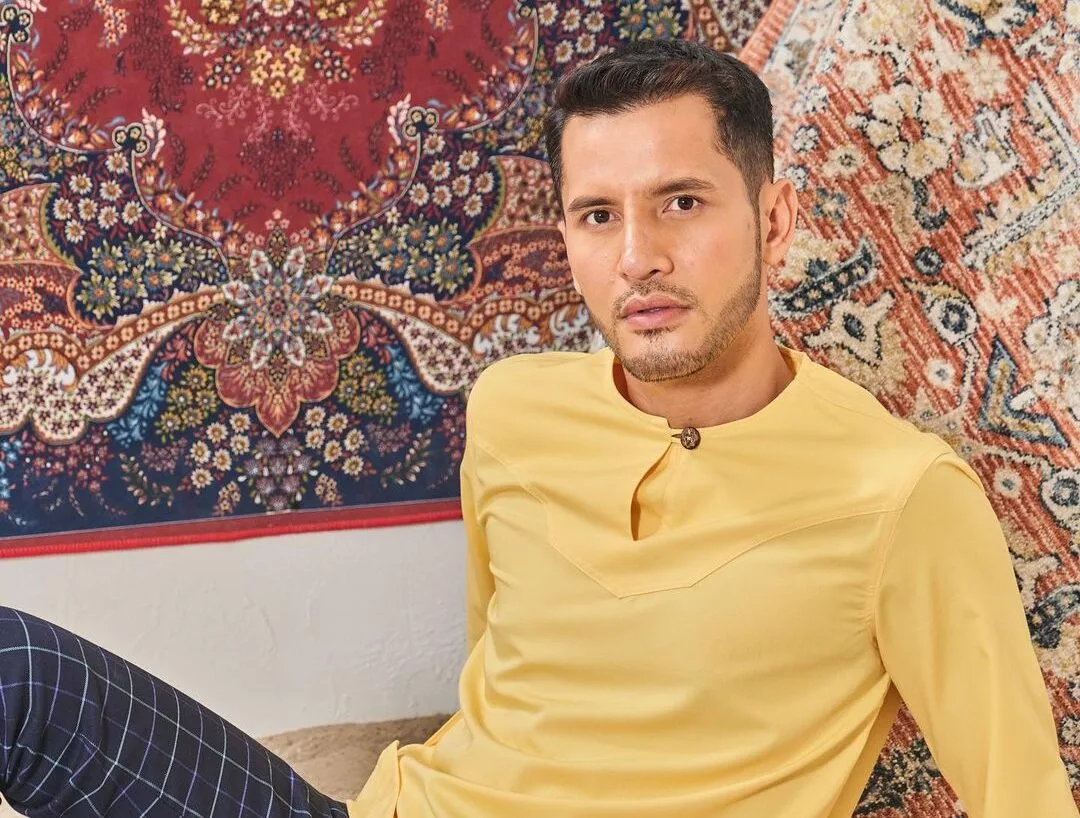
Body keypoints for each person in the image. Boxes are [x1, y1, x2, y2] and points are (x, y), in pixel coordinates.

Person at [0, 39, 1075, 818]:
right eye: (598, 215)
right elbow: (506, 689)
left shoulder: (900, 494)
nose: (638, 256)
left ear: (775, 219)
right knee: (15, 666)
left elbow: (1023, 797)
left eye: (683, 201)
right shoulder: (515, 408)